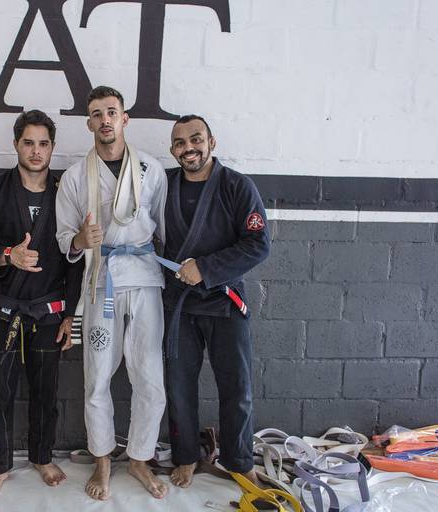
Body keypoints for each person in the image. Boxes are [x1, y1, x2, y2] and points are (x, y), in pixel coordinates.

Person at [55, 86, 168, 500]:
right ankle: (102, 460)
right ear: (89, 123)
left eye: (111, 112)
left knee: (149, 376)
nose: (105, 120)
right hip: (99, 281)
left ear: (124, 119)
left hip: (145, 279)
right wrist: (81, 240)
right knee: (97, 376)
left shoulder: (152, 170)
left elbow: (163, 228)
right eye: (96, 114)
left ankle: (139, 458)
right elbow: (63, 238)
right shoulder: (73, 177)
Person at [0, 110, 83, 502]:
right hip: (4, 306)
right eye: (28, 143)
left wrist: (71, 315)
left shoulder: (65, 193)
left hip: (50, 309)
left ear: (52, 147)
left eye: (43, 143)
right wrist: (7, 255)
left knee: (45, 390)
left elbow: (76, 260)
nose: (36, 151)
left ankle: (42, 457)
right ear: (16, 145)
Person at [161, 115, 270, 488]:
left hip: (225, 302)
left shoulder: (237, 186)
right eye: (179, 143)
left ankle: (239, 460)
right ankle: (186, 456)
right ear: (172, 149)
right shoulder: (164, 185)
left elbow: (258, 244)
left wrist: (206, 268)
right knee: (178, 387)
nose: (188, 148)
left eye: (196, 139)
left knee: (236, 388)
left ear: (212, 142)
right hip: (179, 305)